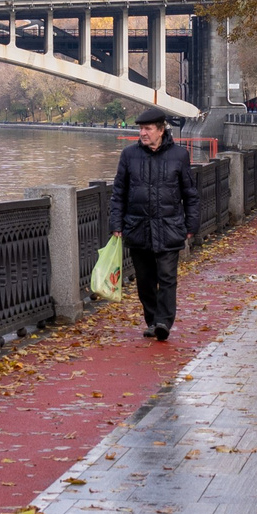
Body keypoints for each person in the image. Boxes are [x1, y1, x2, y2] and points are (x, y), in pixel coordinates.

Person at [111, 105, 198, 340]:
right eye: (141, 129)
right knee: (145, 281)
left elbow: (189, 193)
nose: (143, 133)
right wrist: (116, 225)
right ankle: (152, 320)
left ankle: (163, 322)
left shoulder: (179, 156)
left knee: (167, 278)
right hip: (138, 228)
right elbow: (119, 192)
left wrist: (191, 225)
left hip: (169, 227)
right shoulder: (129, 155)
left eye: (148, 129)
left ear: (161, 130)